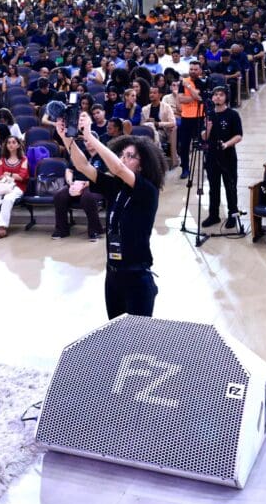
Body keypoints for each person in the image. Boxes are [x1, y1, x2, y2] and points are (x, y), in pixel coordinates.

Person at [63, 111, 167, 318]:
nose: (123, 159)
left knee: (138, 341)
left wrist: (91, 136)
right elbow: (83, 165)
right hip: (113, 274)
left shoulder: (147, 190)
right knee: (116, 334)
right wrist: (66, 138)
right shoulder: (115, 186)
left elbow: (118, 168)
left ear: (142, 164)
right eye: (123, 154)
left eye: (131, 156)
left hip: (137, 277)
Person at [201, 86, 242, 230]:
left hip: (228, 155)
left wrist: (227, 144)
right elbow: (204, 137)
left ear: (226, 98)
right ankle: (214, 215)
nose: (218, 97)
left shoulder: (232, 115)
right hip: (212, 156)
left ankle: (233, 214)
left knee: (230, 186)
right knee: (213, 187)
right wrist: (209, 129)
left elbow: (238, 135)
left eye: (221, 95)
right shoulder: (209, 115)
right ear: (212, 98)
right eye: (215, 94)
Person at [0, 135, 28, 240]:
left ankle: (1, 228)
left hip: (18, 186)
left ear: (19, 145)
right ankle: (1, 226)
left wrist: (8, 174)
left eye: (14, 142)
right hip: (3, 185)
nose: (11, 144)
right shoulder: (3, 159)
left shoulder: (24, 159)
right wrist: (11, 175)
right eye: (9, 142)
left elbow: (21, 177)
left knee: (8, 199)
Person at [176, 61, 205, 180]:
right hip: (186, 116)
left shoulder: (202, 82)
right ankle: (185, 168)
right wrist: (193, 96)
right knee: (184, 144)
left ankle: (207, 165)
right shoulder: (182, 82)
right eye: (191, 69)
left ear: (200, 71)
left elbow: (199, 98)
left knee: (204, 143)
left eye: (195, 69)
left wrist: (188, 87)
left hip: (200, 116)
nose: (193, 71)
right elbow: (181, 99)